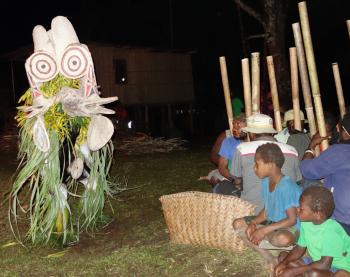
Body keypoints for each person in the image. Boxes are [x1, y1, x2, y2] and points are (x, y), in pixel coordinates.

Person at [233, 143, 301, 265]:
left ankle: (267, 241)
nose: (254, 168)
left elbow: (292, 220)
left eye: (257, 164)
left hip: (289, 227)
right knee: (237, 224)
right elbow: (266, 211)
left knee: (283, 239)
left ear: (270, 164)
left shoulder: (286, 186)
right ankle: (268, 255)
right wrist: (254, 223)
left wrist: (263, 231)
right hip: (272, 223)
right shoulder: (266, 182)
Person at [230, 113, 302, 214]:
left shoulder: (242, 149)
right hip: (286, 211)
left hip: (252, 210)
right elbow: (297, 180)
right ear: (271, 132)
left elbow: (236, 179)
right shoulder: (292, 150)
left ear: (251, 133)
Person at [274, 186, 350, 277]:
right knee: (283, 257)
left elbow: (325, 264)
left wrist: (294, 271)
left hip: (338, 267)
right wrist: (284, 263)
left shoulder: (331, 231)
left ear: (318, 214)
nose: (297, 209)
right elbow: (299, 249)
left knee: (314, 274)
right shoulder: (306, 223)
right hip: (316, 262)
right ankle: (305, 274)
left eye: (302, 209)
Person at [300, 113, 350, 235]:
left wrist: (311, 146)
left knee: (309, 182)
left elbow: (307, 170)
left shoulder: (340, 152)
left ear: (344, 132)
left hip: (343, 220)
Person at [212, 114, 246, 195]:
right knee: (216, 178)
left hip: (250, 178)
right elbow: (222, 166)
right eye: (233, 126)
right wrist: (234, 180)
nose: (234, 129)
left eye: (238, 126)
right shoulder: (228, 142)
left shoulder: (253, 142)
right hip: (233, 176)